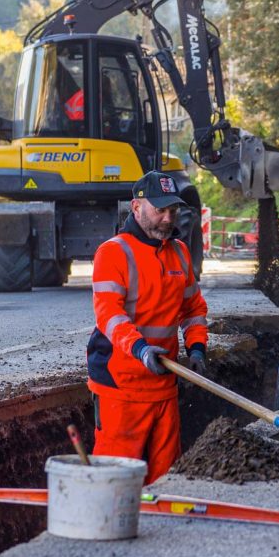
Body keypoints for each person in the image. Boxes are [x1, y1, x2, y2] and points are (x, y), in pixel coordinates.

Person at [87, 170, 208, 484]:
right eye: (160, 210)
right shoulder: (113, 252)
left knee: (165, 480)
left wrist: (197, 348)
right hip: (121, 387)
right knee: (114, 481)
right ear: (136, 207)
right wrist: (140, 349)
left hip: (164, 384)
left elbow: (193, 310)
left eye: (173, 211)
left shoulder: (180, 252)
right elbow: (109, 316)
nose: (168, 219)